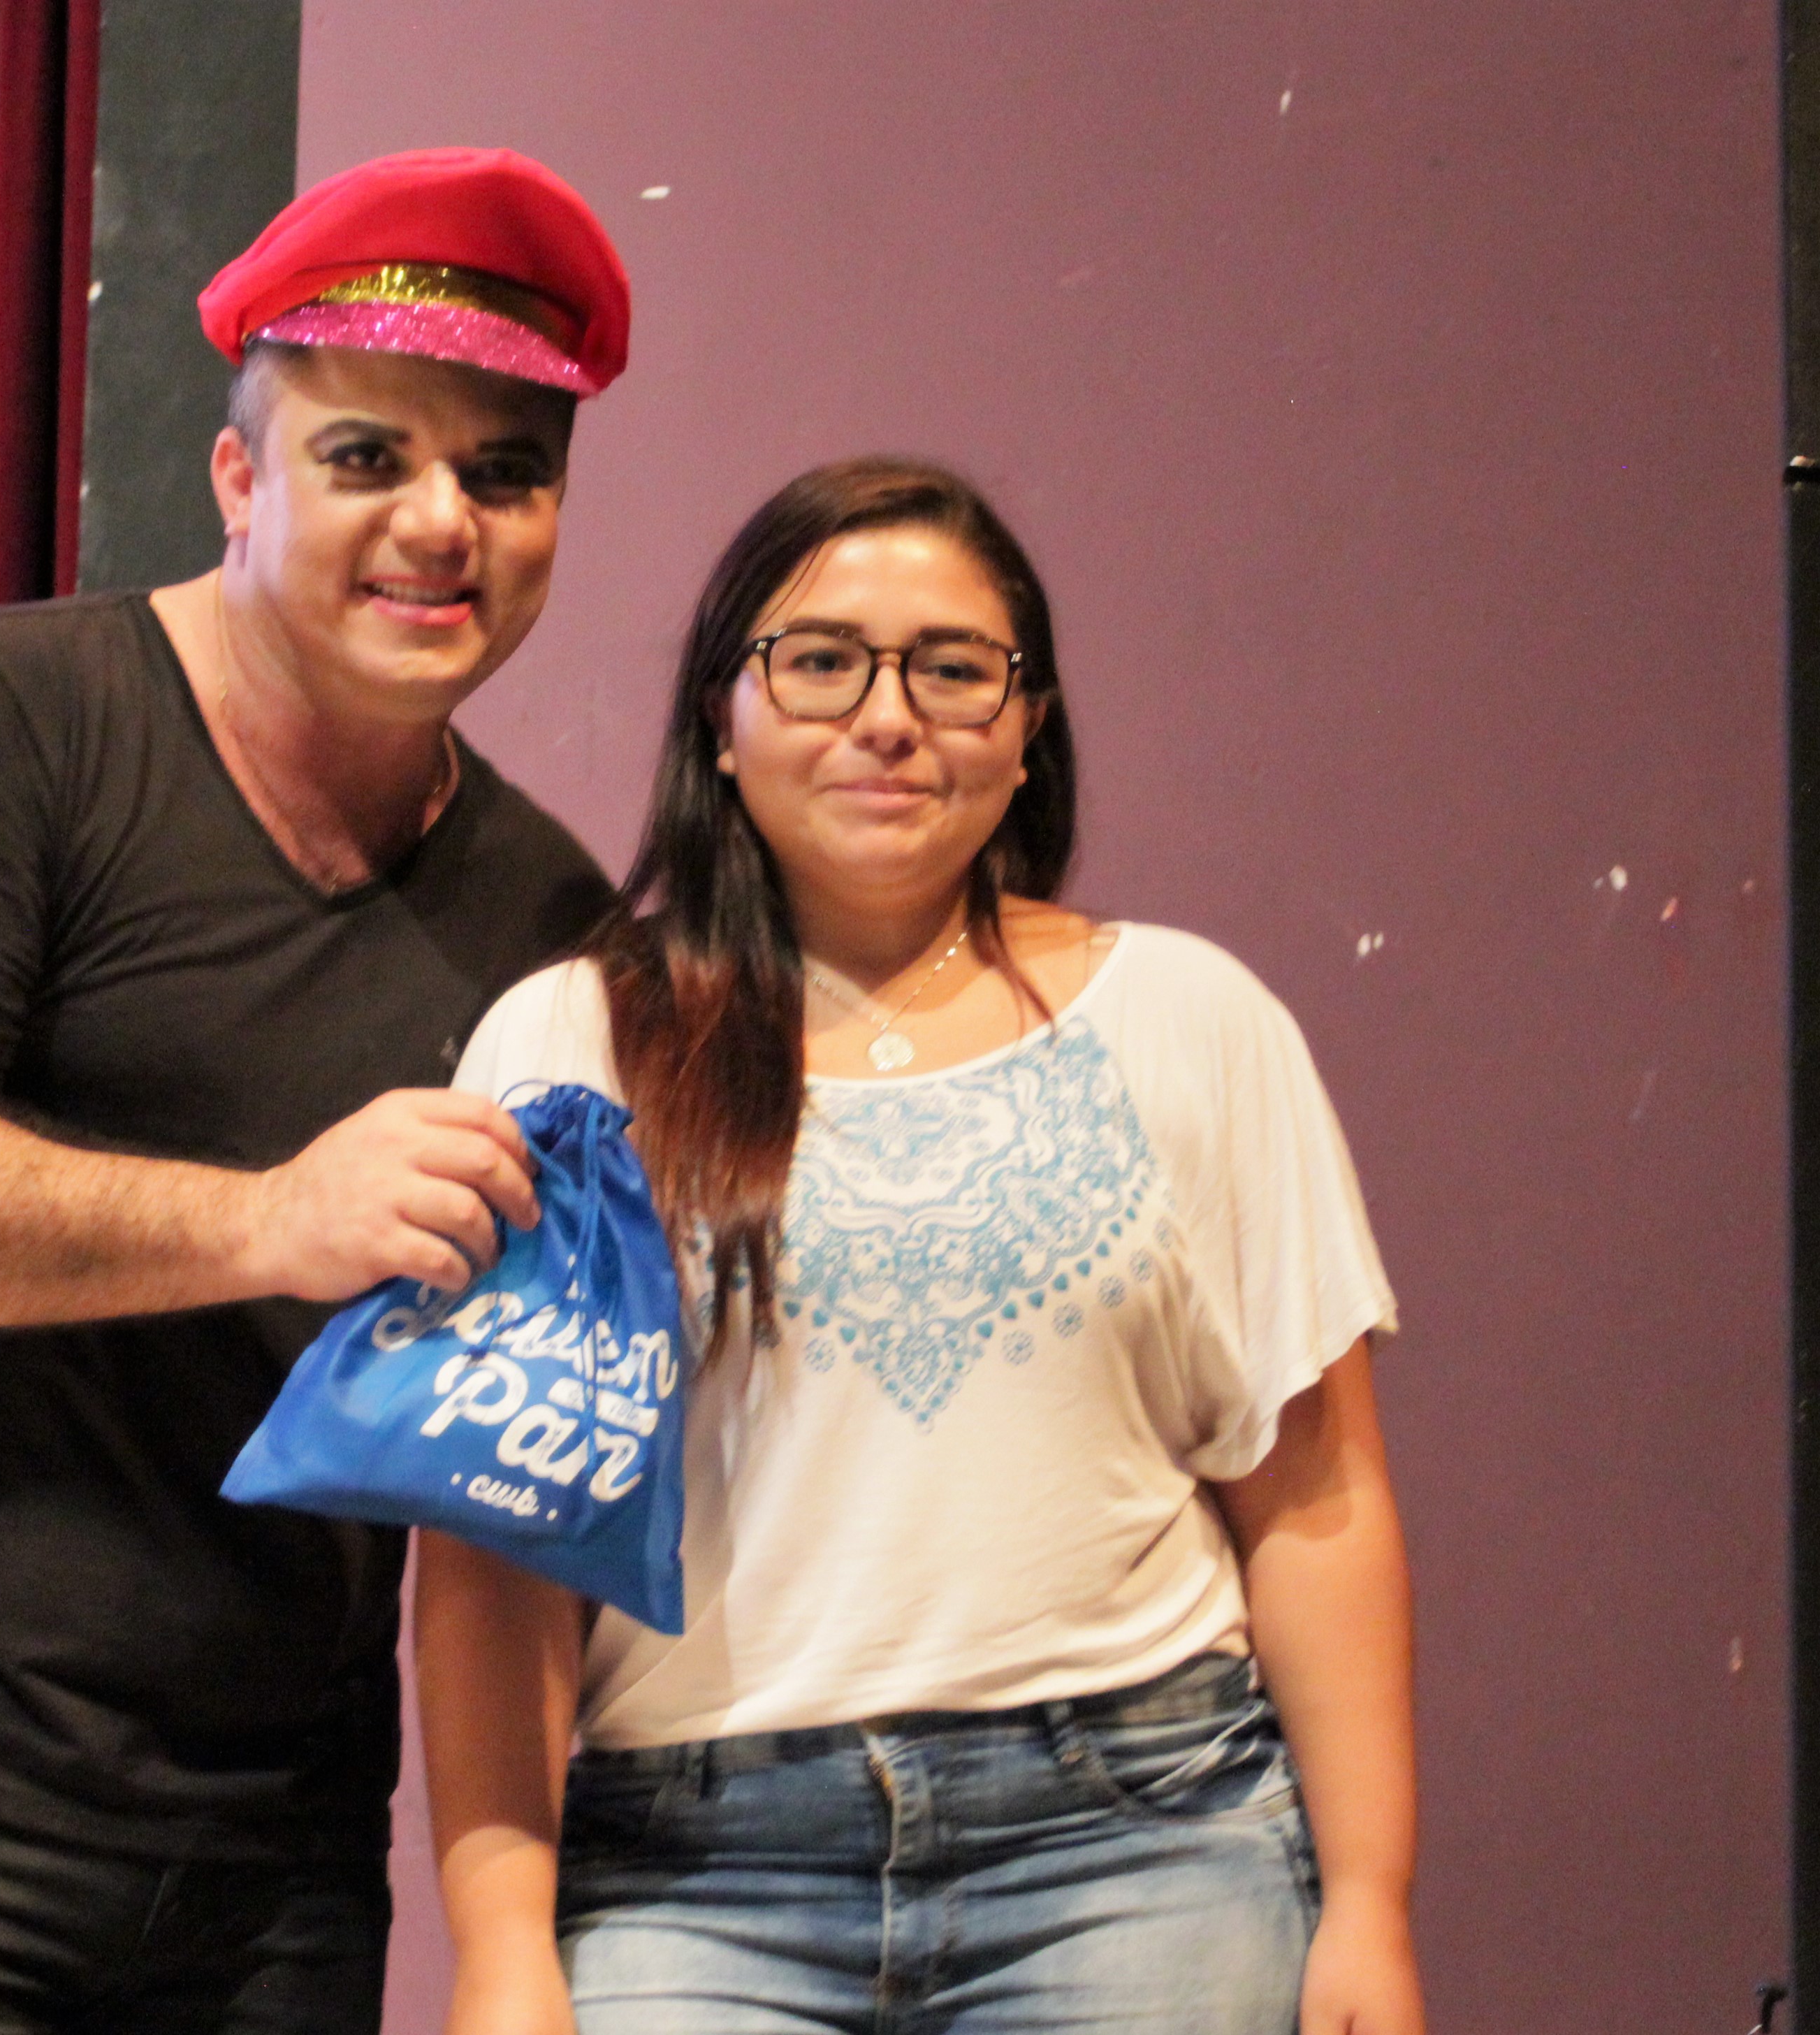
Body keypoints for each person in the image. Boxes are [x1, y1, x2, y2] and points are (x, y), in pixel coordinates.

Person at [0, 149, 633, 2033]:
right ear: (240, 480)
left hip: (273, 1859)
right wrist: (268, 1221)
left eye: (506, 473)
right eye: (369, 456)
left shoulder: (552, 921)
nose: (442, 522)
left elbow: (503, 1454)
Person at [416, 458, 1427, 2035]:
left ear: (1029, 732)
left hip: (1137, 1847)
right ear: (722, 718)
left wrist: (1367, 1905)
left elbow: (1314, 1502)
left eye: (954, 670)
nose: (888, 718)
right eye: (822, 662)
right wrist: (500, 1952)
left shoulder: (1195, 1020)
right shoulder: (572, 1044)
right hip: (690, 1877)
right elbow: (497, 1562)